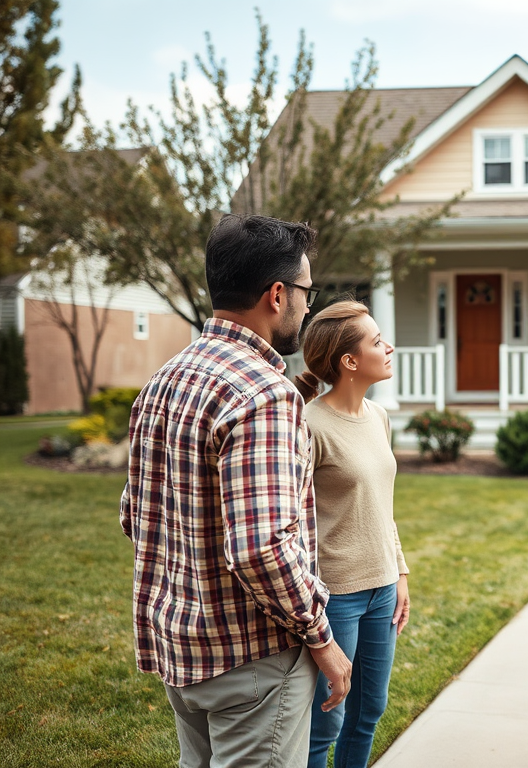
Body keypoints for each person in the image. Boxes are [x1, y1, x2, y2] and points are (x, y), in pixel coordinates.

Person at [120, 214, 352, 767]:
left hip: (182, 648)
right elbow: (261, 547)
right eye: (305, 291)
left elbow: (136, 513)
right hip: (253, 666)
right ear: (277, 294)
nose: (307, 305)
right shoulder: (264, 394)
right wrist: (321, 638)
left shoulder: (166, 378)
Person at [293, 300, 411, 768]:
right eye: (378, 341)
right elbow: (294, 522)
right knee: (326, 722)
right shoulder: (307, 425)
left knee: (369, 713)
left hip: (382, 589)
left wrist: (399, 571)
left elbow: (382, 506)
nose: (389, 347)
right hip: (336, 594)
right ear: (349, 361)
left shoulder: (378, 418)